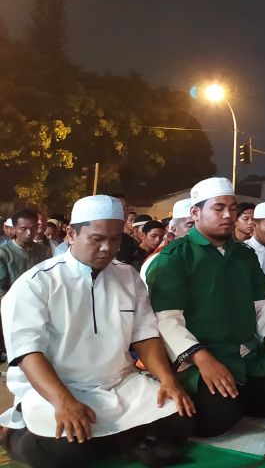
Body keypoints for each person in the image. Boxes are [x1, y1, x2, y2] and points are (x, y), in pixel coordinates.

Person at [1, 195, 195, 468]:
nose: (107, 248)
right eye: (97, 239)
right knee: (64, 452)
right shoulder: (36, 283)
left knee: (181, 419)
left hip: (120, 384)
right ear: (71, 233)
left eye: (115, 239)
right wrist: (63, 400)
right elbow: (27, 352)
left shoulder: (128, 277)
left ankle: (114, 438)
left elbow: (145, 335)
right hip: (59, 387)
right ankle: (15, 434)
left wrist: (166, 379)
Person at [145, 177, 265, 437]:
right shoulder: (174, 258)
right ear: (196, 213)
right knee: (217, 419)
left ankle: (236, 398)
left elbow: (263, 305)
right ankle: (228, 400)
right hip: (200, 358)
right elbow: (167, 320)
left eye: (232, 209)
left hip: (245, 353)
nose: (228, 215)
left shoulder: (244, 255)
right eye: (218, 208)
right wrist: (202, 358)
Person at [0, 208, 53, 301]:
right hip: (12, 305)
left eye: (33, 228)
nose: (29, 233)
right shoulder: (4, 253)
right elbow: (1, 290)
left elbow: (49, 282)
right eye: (23, 229)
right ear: (14, 229)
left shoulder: (45, 252)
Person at [141, 199, 196, 281]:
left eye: (201, 225)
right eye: (190, 225)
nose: (198, 230)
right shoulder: (157, 262)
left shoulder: (211, 254)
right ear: (174, 229)